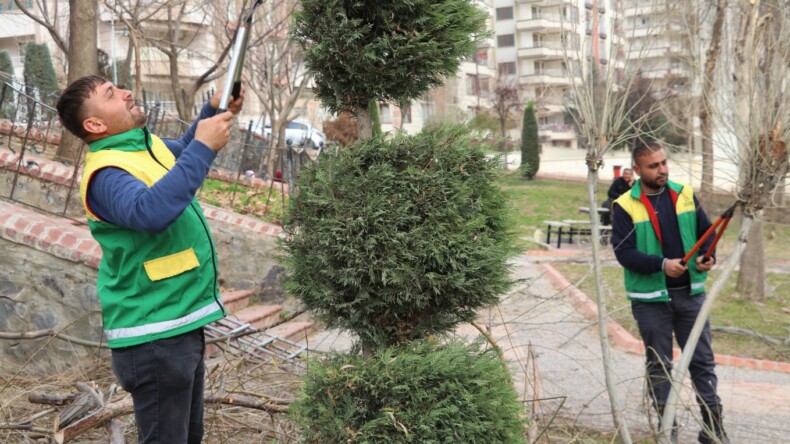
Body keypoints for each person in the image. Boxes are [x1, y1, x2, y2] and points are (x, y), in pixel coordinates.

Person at [56, 75, 244, 443]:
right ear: (94, 125)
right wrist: (204, 149)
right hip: (153, 336)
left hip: (176, 324)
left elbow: (188, 149)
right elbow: (150, 212)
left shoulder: (142, 148)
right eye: (111, 94)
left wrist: (215, 109)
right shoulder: (107, 174)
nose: (126, 92)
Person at [611, 141, 730, 444]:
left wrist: (708, 257)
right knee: (660, 367)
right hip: (650, 302)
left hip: (691, 296)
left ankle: (713, 431)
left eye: (664, 162)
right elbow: (624, 253)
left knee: (702, 362)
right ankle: (668, 434)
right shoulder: (624, 205)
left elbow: (707, 233)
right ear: (637, 170)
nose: (662, 170)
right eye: (654, 166)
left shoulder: (685, 193)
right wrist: (662, 265)